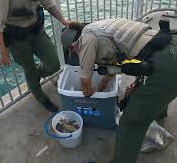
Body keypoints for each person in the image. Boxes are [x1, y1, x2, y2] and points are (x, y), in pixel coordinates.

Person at [61, 18, 177, 163]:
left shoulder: (85, 40)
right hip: (168, 42)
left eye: (72, 51)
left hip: (169, 64)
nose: (75, 54)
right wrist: (104, 82)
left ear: (73, 45)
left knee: (130, 123)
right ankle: (158, 111)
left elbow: (85, 84)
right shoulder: (96, 27)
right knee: (153, 93)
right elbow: (124, 56)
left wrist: (90, 93)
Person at [0, 0, 79, 112]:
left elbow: (48, 2)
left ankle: (35, 76)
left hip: (37, 32)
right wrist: (3, 51)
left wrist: (64, 21)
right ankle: (41, 97)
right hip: (17, 40)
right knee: (29, 68)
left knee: (53, 63)